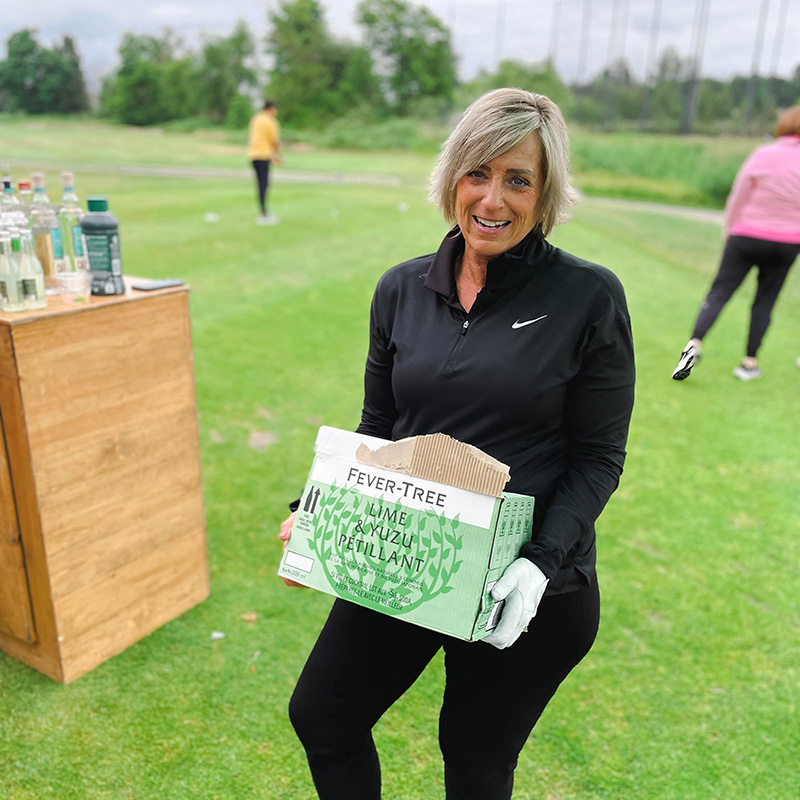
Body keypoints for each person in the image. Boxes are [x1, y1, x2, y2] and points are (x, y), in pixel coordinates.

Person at [279, 88, 635, 800]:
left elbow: (599, 459)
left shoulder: (588, 298)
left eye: (518, 179)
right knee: (322, 716)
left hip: (524, 589)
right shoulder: (401, 289)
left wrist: (537, 566)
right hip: (408, 556)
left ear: (546, 192)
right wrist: (316, 511)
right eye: (478, 172)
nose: (492, 199)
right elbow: (381, 424)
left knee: (473, 763)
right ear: (452, 178)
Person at [672, 106, 800, 382]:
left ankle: (693, 346)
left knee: (720, 291)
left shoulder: (765, 153)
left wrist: (729, 227)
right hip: (788, 241)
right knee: (765, 301)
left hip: (746, 235)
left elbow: (739, 193)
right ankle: (748, 364)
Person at [247, 100, 283, 225]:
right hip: (263, 156)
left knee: (260, 184)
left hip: (253, 155)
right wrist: (278, 156)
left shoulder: (256, 119)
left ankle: (263, 211)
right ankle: (263, 213)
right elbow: (275, 141)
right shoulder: (271, 122)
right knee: (264, 184)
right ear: (271, 109)